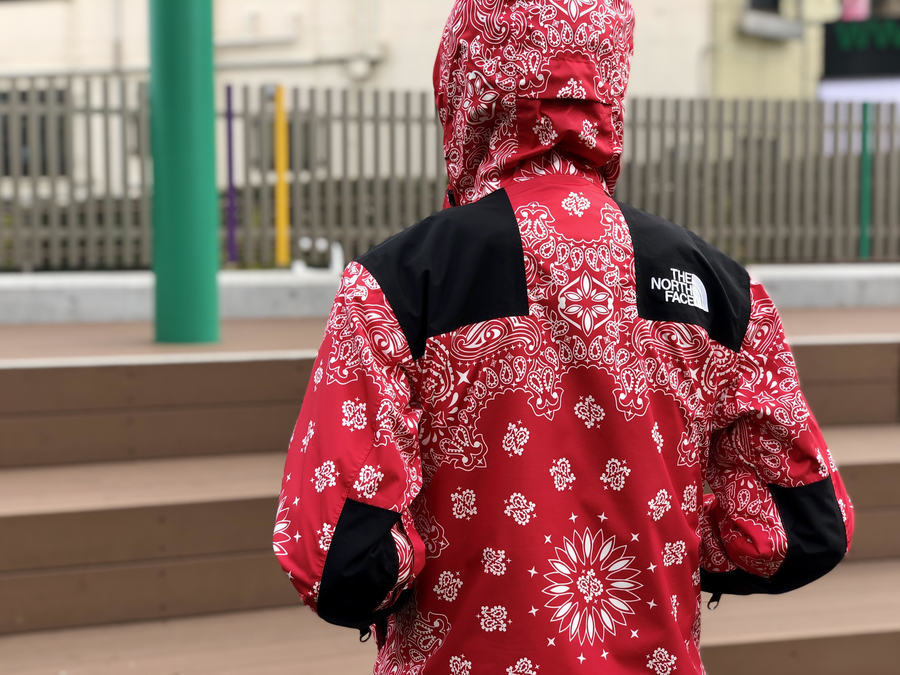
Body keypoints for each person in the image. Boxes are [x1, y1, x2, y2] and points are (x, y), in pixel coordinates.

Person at [273, 1, 855, 672]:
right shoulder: (719, 289)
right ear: (608, 78)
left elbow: (339, 559)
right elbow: (806, 526)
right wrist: (670, 540)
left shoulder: (395, 288)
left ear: (468, 76)